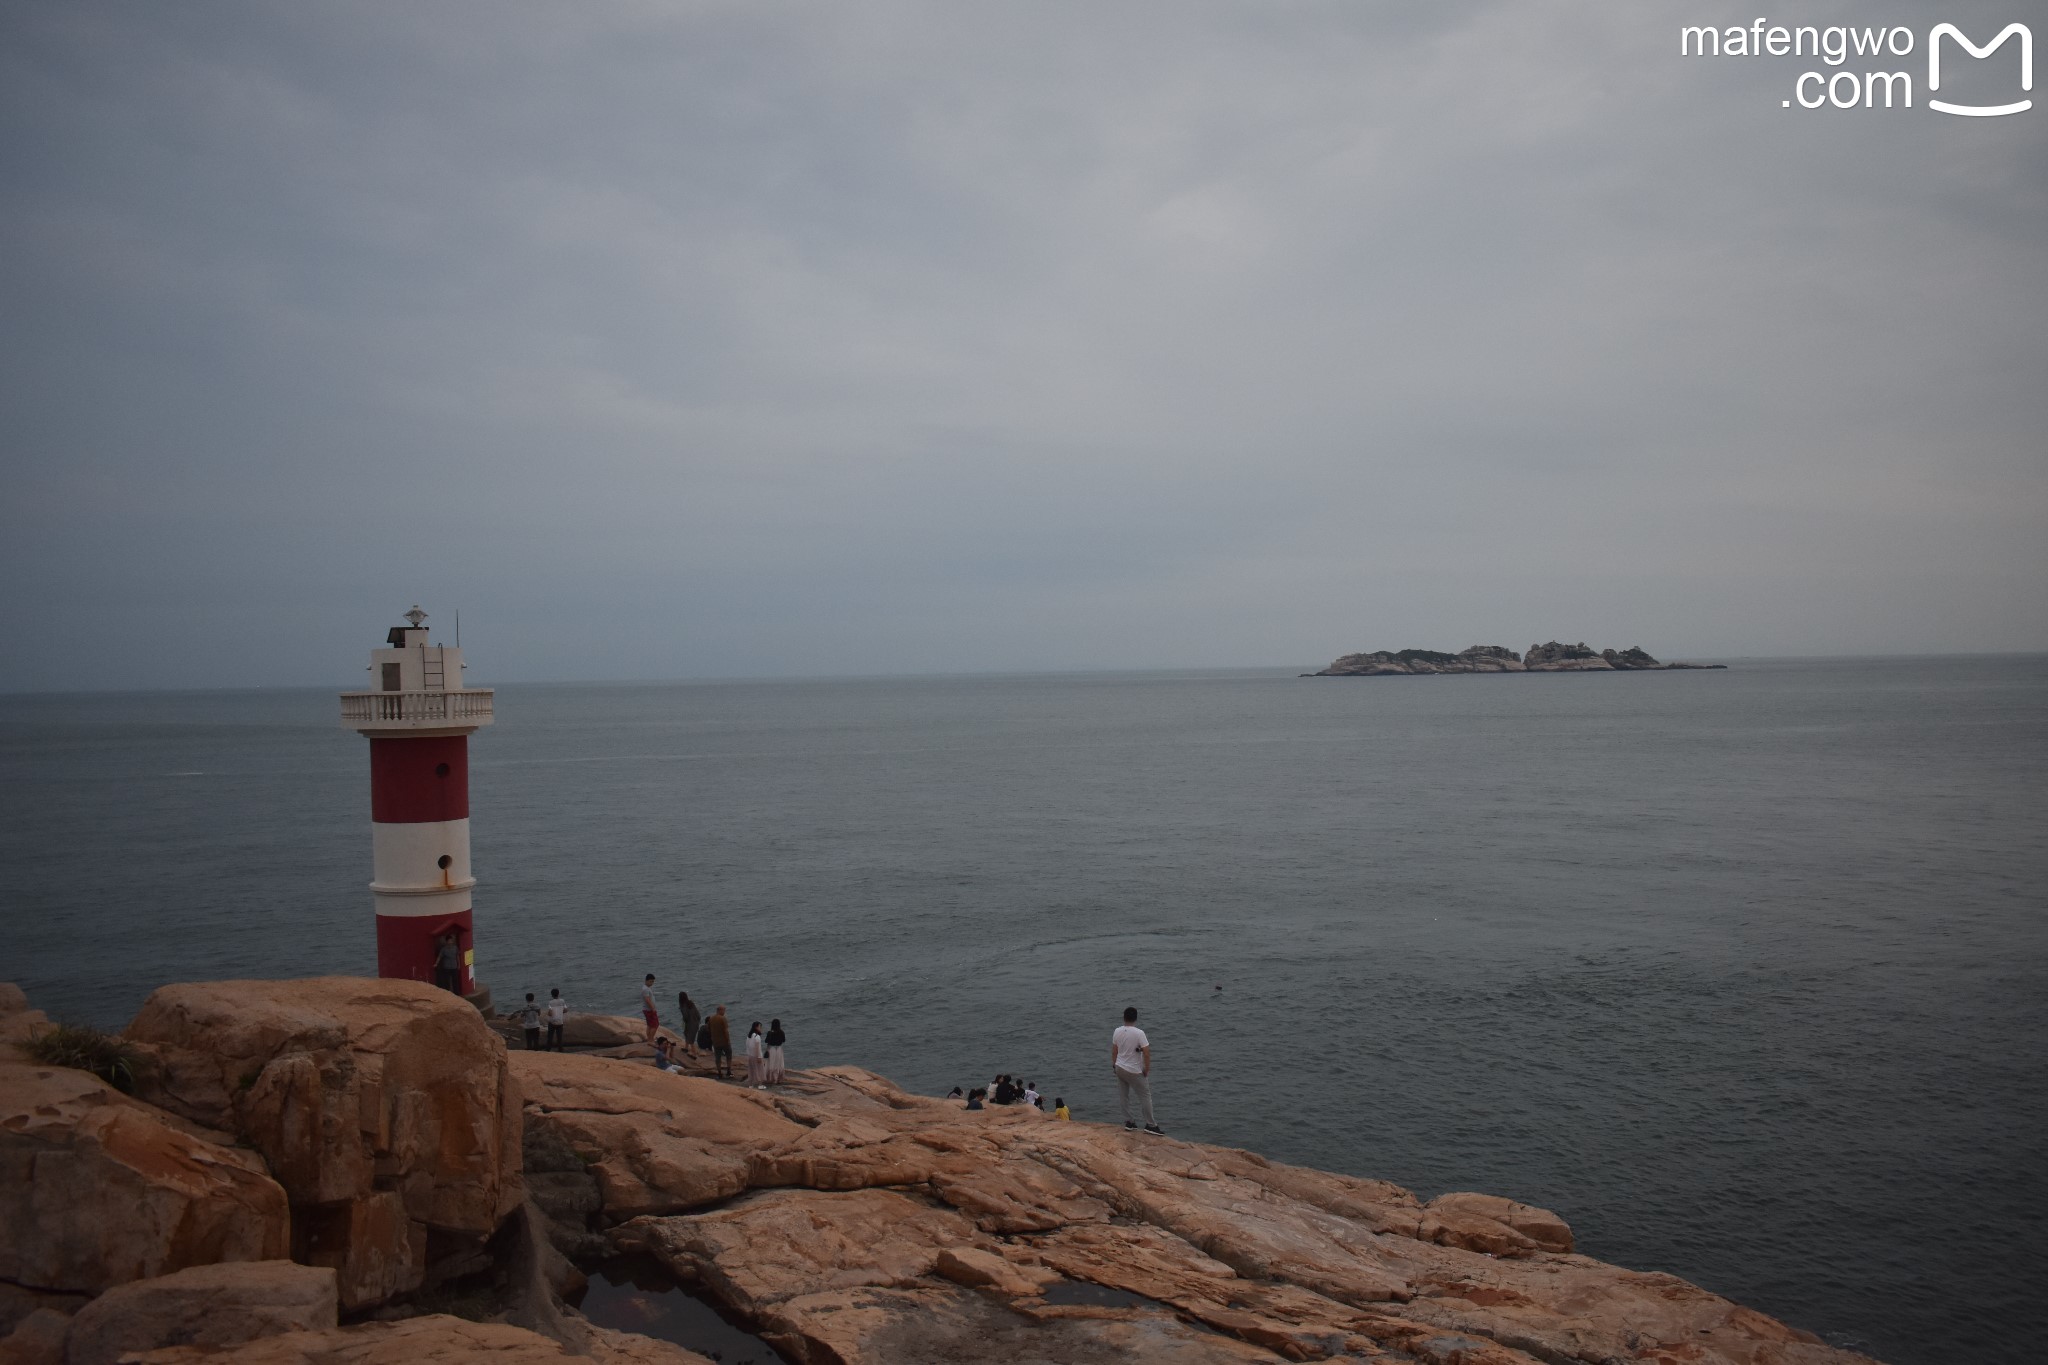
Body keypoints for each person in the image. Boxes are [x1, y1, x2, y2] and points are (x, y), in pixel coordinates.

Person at [1112, 1006, 1161, 1133]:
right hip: (1134, 1070)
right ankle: (1150, 1125)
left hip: (1119, 1067)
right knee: (1145, 1096)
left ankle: (1129, 1122)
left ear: (1124, 1017)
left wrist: (1114, 1065)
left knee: (1124, 1095)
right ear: (1136, 1018)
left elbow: (1114, 1050)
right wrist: (1147, 1069)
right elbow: (1147, 1053)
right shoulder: (1139, 1033)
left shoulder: (1117, 1031)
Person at [706, 1005, 733, 1079]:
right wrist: (728, 1040)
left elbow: (708, 1029)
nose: (724, 1012)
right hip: (724, 1041)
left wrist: (713, 1036)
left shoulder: (711, 1018)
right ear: (719, 1010)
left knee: (718, 1058)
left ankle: (719, 1073)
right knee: (729, 1055)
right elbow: (726, 1031)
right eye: (724, 1010)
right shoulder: (722, 1018)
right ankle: (728, 1071)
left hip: (715, 1042)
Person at [677, 991, 702, 1059]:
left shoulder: (683, 1006)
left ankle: (694, 1054)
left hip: (690, 1024)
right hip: (696, 1022)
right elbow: (698, 1013)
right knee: (686, 1034)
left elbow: (686, 1016)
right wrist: (698, 1020)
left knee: (691, 1039)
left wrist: (685, 1021)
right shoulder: (691, 1003)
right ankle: (686, 1048)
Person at [743, 1021, 766, 1088]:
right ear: (756, 1027)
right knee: (759, 1070)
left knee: (751, 1070)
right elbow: (758, 1048)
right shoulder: (757, 1037)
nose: (761, 1028)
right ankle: (760, 1084)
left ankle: (751, 1084)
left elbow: (747, 1046)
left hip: (750, 1055)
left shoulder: (749, 1036)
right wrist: (759, 1057)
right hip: (756, 1056)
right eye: (760, 1027)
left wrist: (748, 1054)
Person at [765, 1018, 787, 1084]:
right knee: (779, 1064)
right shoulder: (781, 1032)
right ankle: (778, 1079)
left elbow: (766, 1041)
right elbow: (783, 1040)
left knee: (771, 1064)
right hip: (779, 1049)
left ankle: (770, 1079)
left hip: (772, 1049)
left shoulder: (770, 1033)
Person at [639, 975, 660, 1043]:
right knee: (655, 1025)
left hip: (647, 1010)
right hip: (649, 1010)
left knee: (650, 1025)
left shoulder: (646, 987)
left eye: (653, 981)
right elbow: (647, 1000)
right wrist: (653, 1009)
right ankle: (651, 1040)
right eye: (651, 981)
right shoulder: (646, 989)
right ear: (646, 980)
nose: (652, 983)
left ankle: (649, 1039)